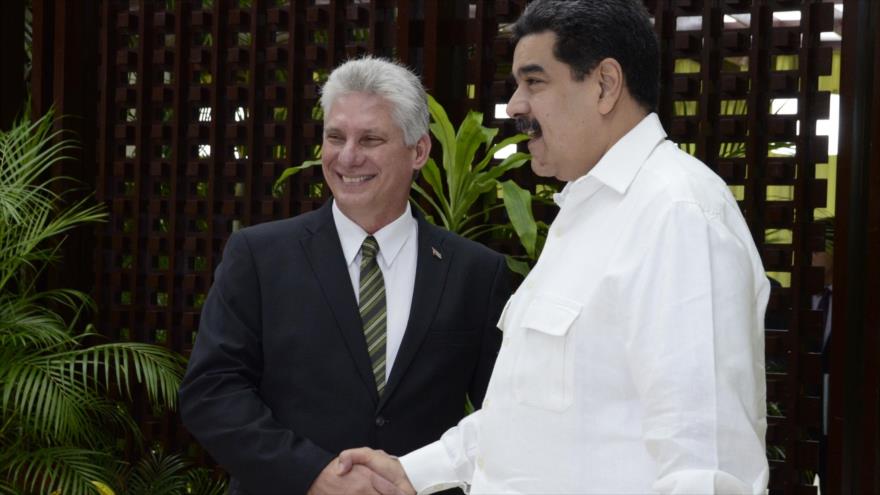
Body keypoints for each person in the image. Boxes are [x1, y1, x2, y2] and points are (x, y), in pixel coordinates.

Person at [339, 1, 770, 493]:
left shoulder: (677, 213)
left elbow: (706, 463)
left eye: (535, 81)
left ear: (605, 84)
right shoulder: (587, 214)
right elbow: (529, 416)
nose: (515, 105)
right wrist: (413, 473)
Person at [178, 56, 510, 495]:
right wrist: (312, 474)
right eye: (335, 137)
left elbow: (506, 413)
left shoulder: (476, 272)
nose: (348, 157)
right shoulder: (259, 257)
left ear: (419, 151)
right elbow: (211, 392)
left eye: (370, 139)